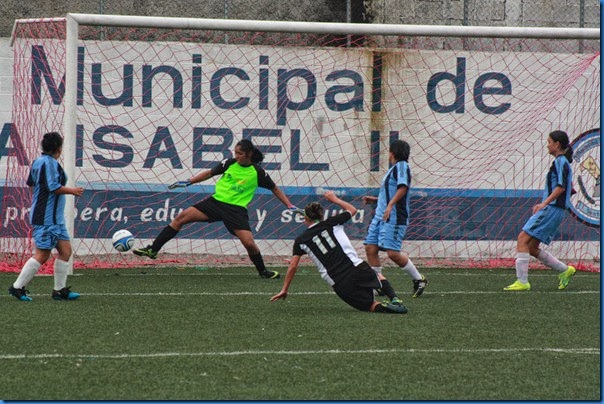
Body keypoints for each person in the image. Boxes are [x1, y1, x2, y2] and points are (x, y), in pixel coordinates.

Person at [133, 139, 297, 279]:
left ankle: (263, 271)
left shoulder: (258, 172)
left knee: (250, 244)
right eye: (236, 152)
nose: (236, 156)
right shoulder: (229, 163)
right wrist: (189, 181)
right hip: (215, 203)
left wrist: (288, 205)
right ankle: (153, 250)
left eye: (240, 153)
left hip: (236, 210)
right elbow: (209, 173)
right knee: (180, 218)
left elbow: (275, 188)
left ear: (249, 154)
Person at [271, 191, 408, 314]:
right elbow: (352, 209)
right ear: (322, 215)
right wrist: (334, 199)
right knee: (377, 275)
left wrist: (284, 289)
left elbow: (293, 266)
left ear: (305, 219)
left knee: (369, 306)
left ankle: (383, 307)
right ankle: (394, 298)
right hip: (356, 267)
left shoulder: (301, 240)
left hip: (339, 281)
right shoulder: (333, 222)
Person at [8, 132, 84, 301]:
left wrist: (39, 201)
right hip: (46, 219)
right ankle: (17, 287)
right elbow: (53, 187)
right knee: (42, 254)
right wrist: (73, 191)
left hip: (54, 219)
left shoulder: (37, 162)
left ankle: (59, 290)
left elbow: (31, 184)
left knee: (65, 251)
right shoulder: (48, 163)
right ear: (59, 148)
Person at [504, 130, 577, 291]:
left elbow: (561, 187)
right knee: (531, 247)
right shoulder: (563, 162)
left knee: (522, 239)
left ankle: (522, 282)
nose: (547, 145)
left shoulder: (560, 161)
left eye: (549, 142)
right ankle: (565, 270)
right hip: (556, 210)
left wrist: (544, 204)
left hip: (552, 209)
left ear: (557, 144)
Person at [363, 139, 428, 298]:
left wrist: (390, 205)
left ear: (392, 152)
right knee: (370, 248)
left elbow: (403, 188)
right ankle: (377, 284)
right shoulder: (393, 169)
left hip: (394, 217)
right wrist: (377, 201)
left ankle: (419, 279)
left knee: (392, 253)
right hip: (381, 216)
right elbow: (391, 193)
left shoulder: (402, 166)